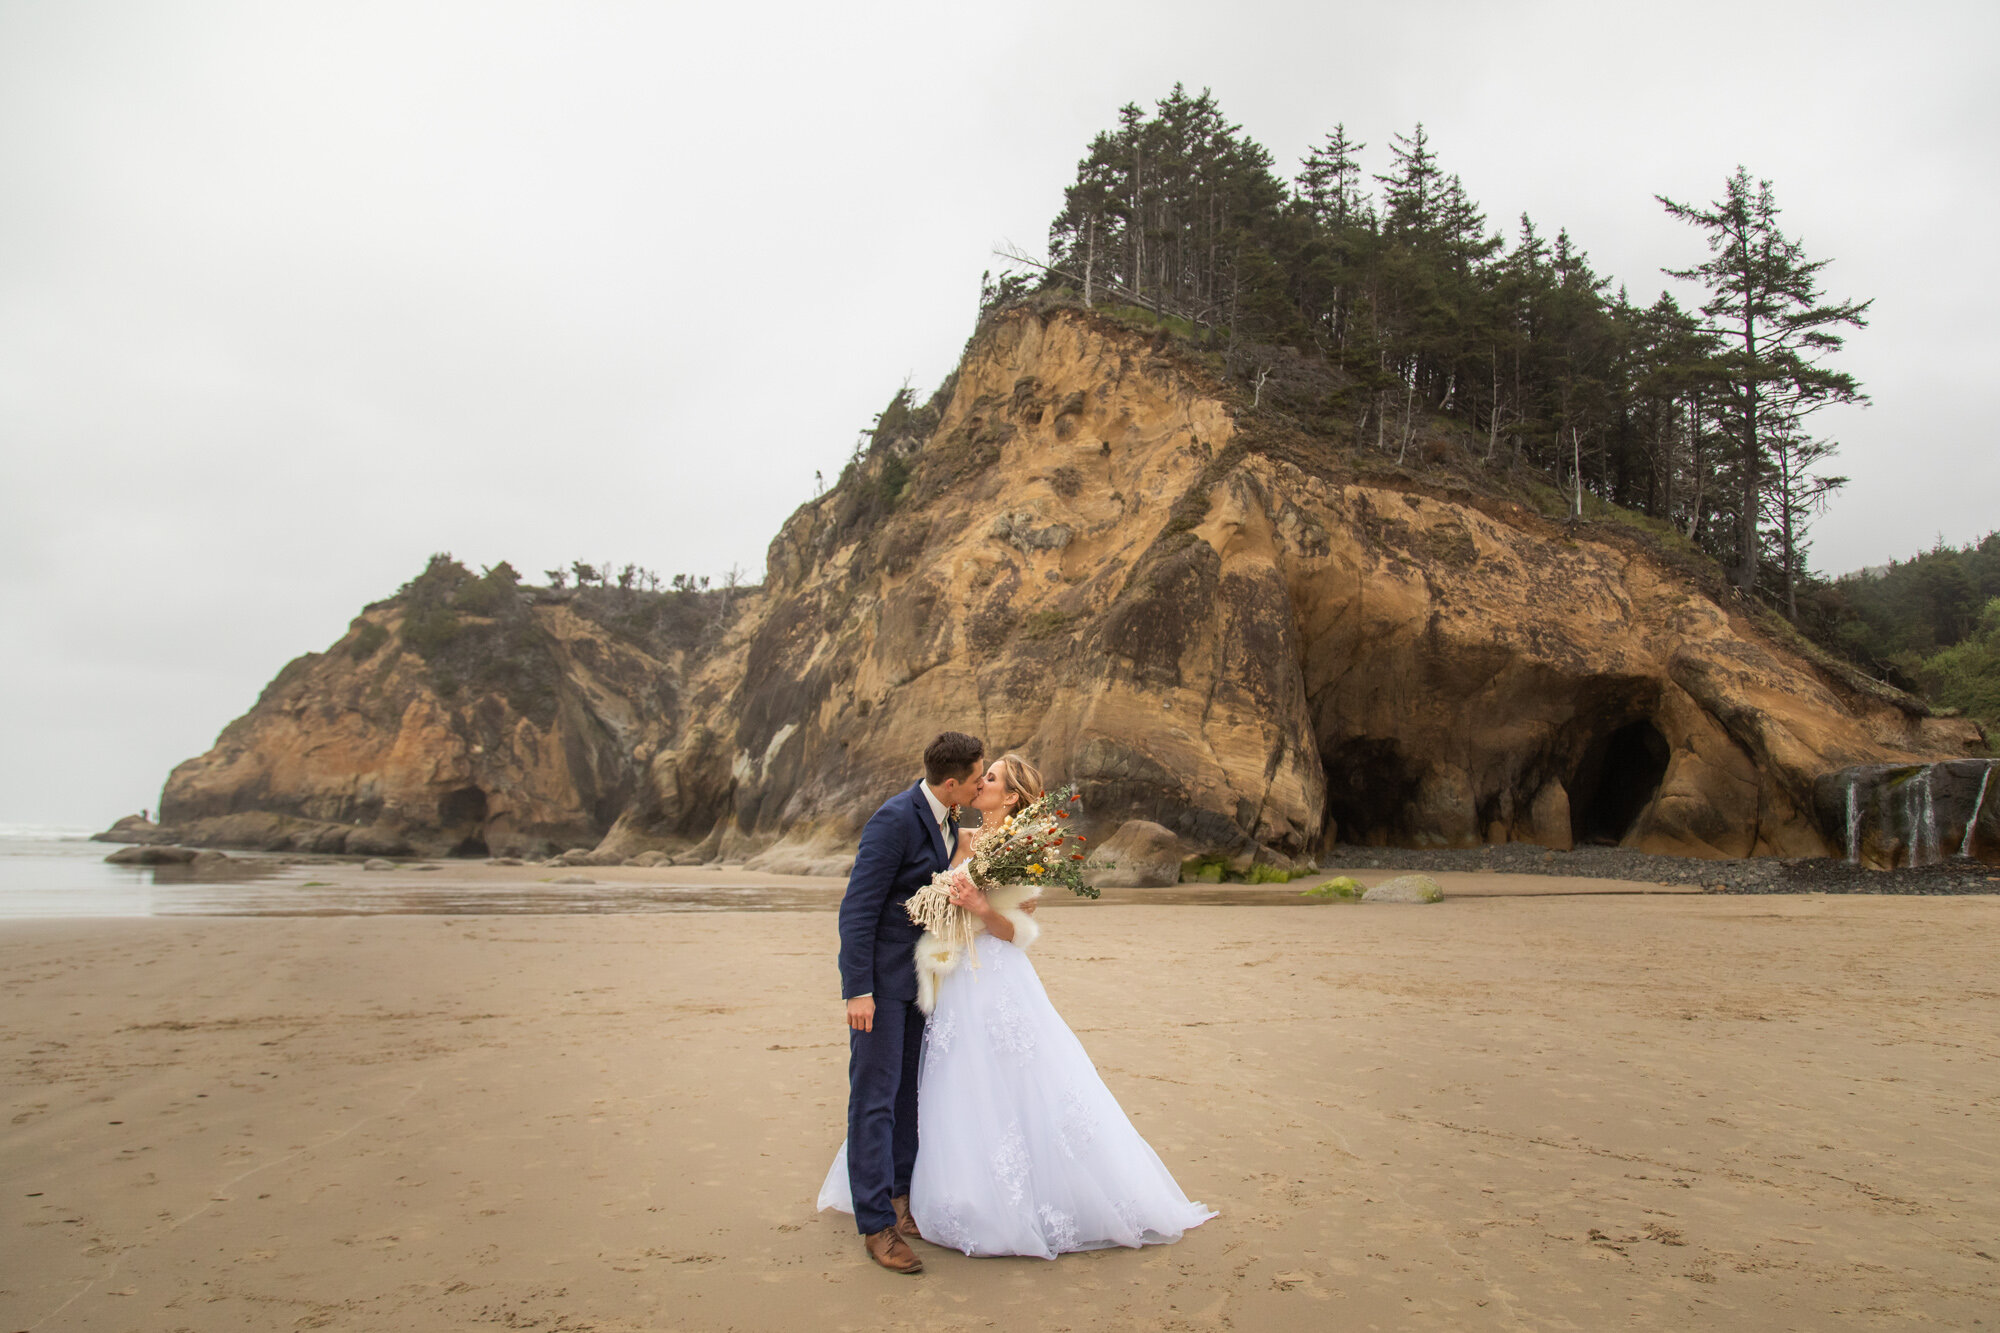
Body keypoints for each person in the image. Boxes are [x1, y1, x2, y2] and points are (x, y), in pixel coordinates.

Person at [822, 753, 1215, 1261]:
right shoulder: (955, 838)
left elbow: (1019, 933)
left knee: (1007, 1080)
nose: (981, 783)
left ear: (1011, 797)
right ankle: (903, 1199)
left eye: (991, 778)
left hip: (991, 977)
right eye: (980, 776)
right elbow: (912, 891)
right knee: (931, 1086)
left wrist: (985, 909)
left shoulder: (1025, 848)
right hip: (940, 975)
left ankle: (994, 1196)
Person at [834, 731, 986, 1275]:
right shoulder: (894, 819)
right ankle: (876, 1226)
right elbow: (858, 909)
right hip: (880, 985)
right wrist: (857, 990)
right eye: (975, 778)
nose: (978, 784)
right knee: (873, 1099)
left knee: (906, 1098)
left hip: (922, 982)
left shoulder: (948, 822)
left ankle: (901, 1199)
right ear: (952, 783)